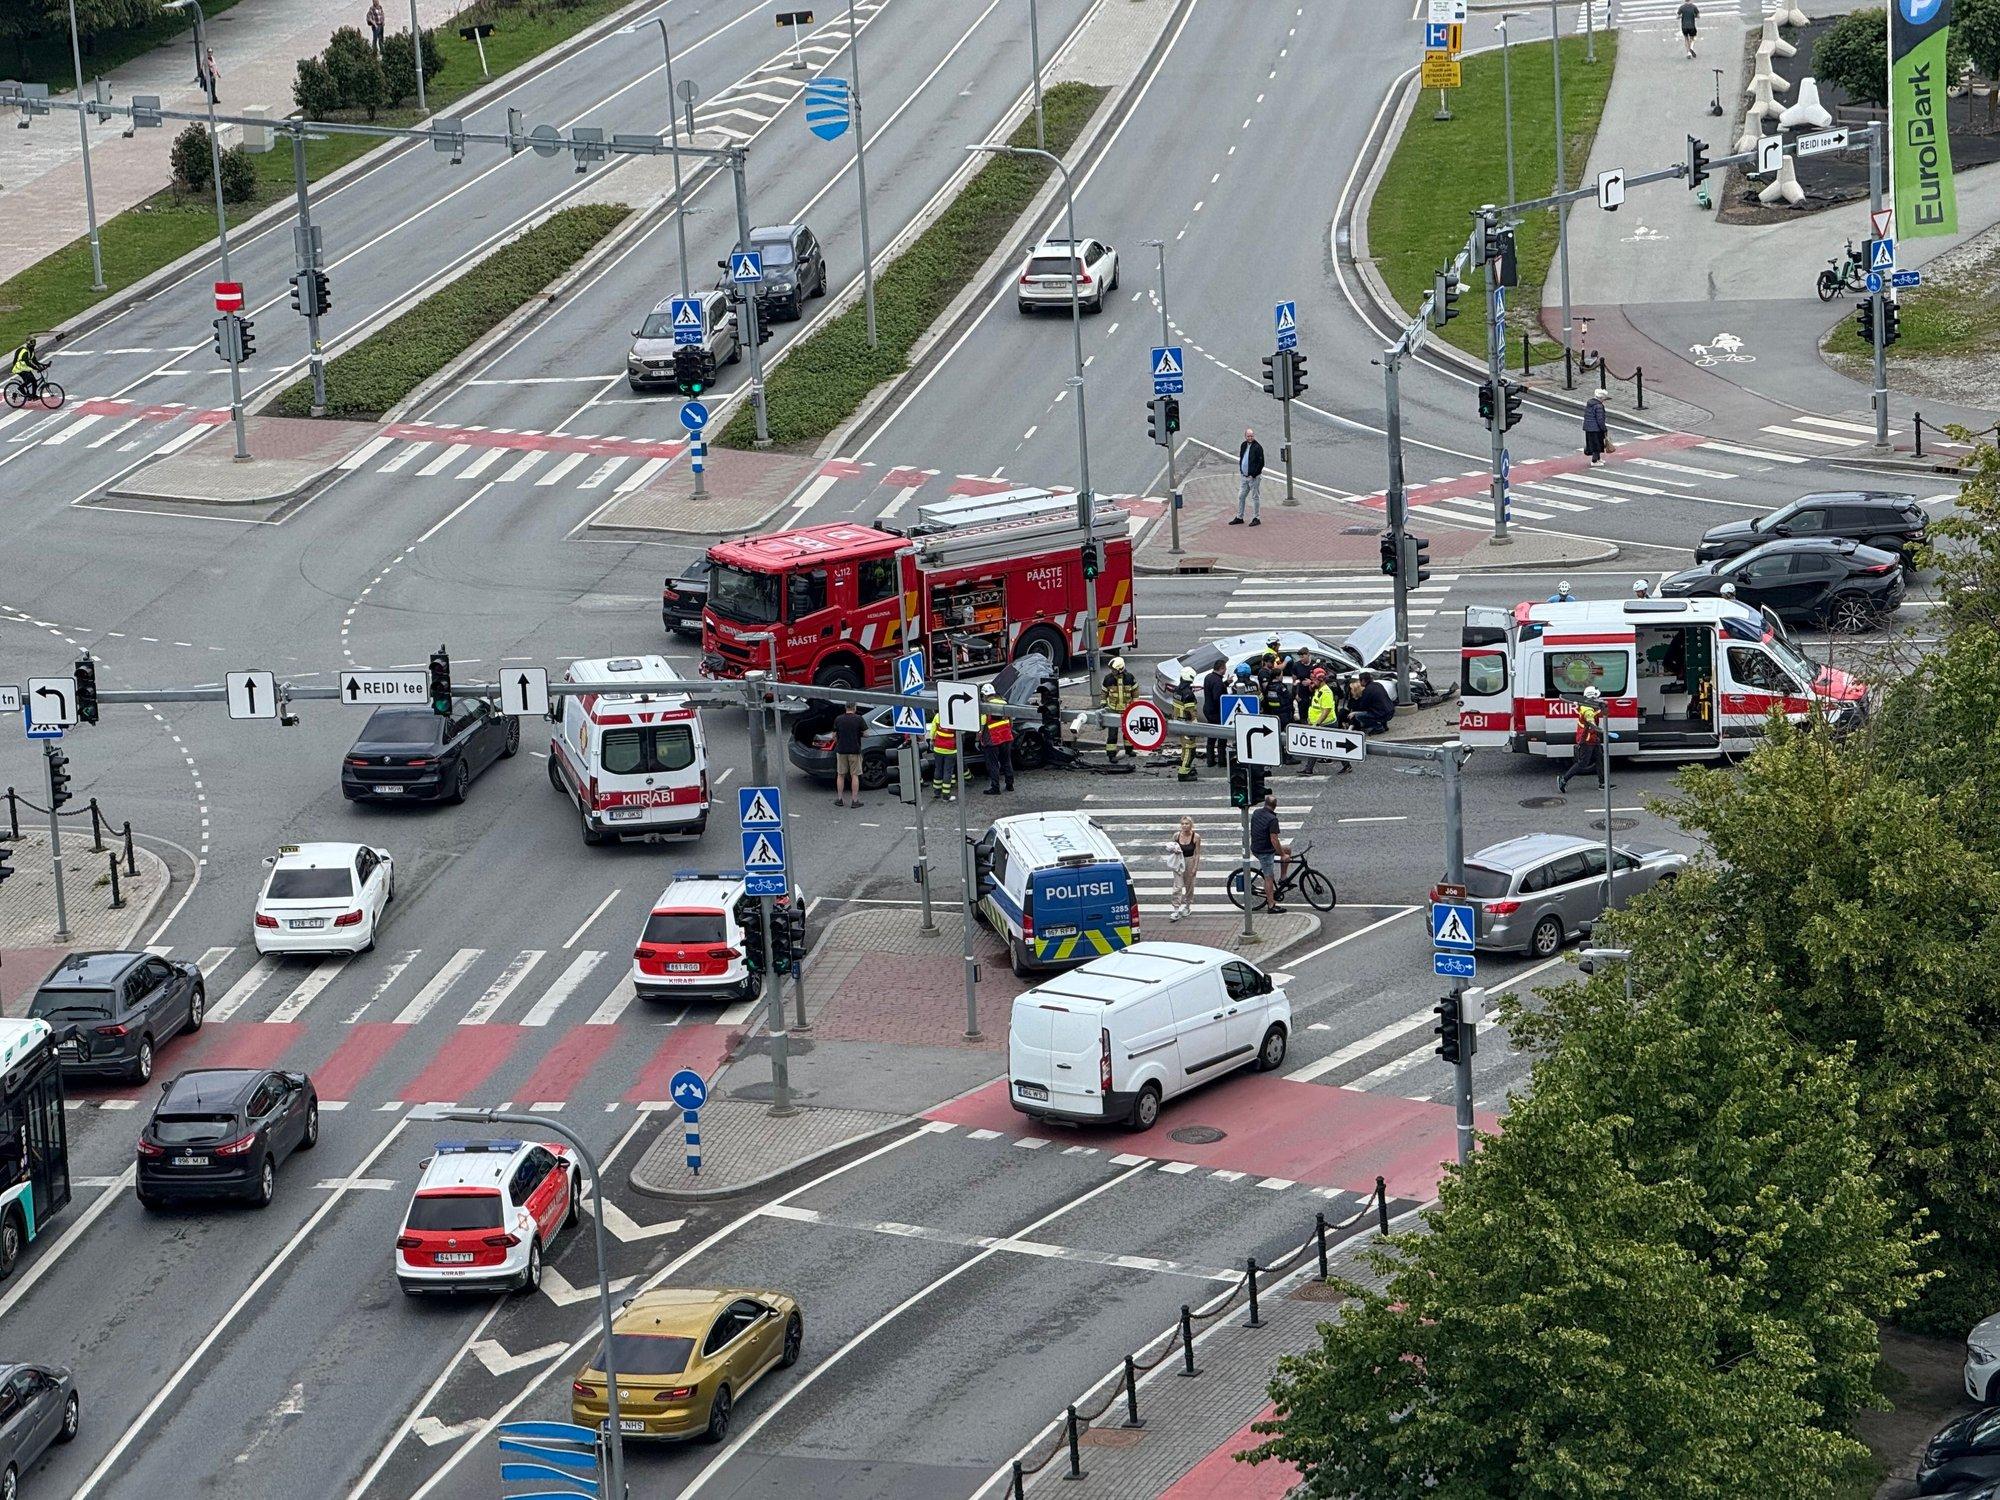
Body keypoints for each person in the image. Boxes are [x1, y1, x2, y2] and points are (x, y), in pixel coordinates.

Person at [1557, 686, 1606, 794]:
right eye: (1597, 696)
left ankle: (1602, 783)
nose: (1598, 698)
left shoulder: (1588, 705)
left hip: (1593, 737)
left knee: (1600, 759)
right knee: (1583, 763)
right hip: (1587, 739)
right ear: (1592, 697)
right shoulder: (1588, 710)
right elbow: (1591, 722)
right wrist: (1602, 730)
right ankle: (1564, 780)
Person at [1249, 790, 1289, 913]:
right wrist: (1282, 855)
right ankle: (1271, 905)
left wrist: (1284, 852)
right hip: (1264, 850)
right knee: (1269, 877)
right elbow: (1274, 840)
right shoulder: (1272, 819)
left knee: (1288, 849)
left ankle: (1283, 877)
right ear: (1275, 806)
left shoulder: (1256, 812)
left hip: (1256, 846)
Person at [1299, 667, 1340, 776]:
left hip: (1327, 724)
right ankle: (1308, 769)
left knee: (1335, 747)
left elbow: (1326, 710)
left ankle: (1346, 765)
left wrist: (1317, 724)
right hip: (1318, 723)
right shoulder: (1319, 689)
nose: (1313, 682)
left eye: (1315, 680)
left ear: (1321, 680)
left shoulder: (1326, 692)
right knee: (1313, 746)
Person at [1101, 656, 1137, 762]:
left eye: (1114, 670)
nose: (1112, 671)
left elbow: (1135, 692)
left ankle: (1129, 750)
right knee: (1112, 733)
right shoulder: (1108, 679)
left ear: (1120, 669)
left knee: (1128, 731)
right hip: (1113, 710)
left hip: (1127, 710)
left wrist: (1135, 704)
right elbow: (1104, 693)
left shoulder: (1130, 678)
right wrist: (1103, 703)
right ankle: (1111, 754)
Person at [1166, 815, 1202, 922]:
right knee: (1177, 886)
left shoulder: (1196, 837)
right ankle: (1176, 909)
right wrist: (1173, 850)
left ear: (1191, 825)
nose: (1184, 826)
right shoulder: (1176, 836)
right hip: (1178, 861)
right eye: (1182, 824)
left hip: (1190, 860)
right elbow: (1171, 847)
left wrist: (1195, 867)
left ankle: (1187, 906)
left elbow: (1197, 853)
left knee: (1189, 885)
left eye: (1187, 823)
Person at [832, 702, 866, 808]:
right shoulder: (858, 719)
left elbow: (833, 735)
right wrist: (859, 734)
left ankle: (839, 799)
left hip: (841, 750)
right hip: (854, 750)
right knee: (854, 775)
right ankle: (854, 800)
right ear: (854, 708)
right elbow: (866, 733)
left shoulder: (838, 719)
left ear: (846, 708)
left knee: (840, 775)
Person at [981, 691, 1015, 795]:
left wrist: (978, 740)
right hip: (1006, 737)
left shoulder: (985, 707)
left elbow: (981, 727)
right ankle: (1010, 785)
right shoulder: (1004, 703)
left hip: (993, 740)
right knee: (1007, 761)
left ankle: (995, 788)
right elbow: (1011, 721)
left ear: (985, 695)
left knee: (993, 764)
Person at [1232, 428, 1265, 526]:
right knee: (1241, 496)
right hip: (1244, 476)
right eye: (1248, 436)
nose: (1250, 438)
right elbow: (1242, 458)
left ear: (1253, 436)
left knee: (1255, 497)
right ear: (1245, 436)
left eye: (1251, 436)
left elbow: (1261, 463)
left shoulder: (1258, 447)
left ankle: (1256, 517)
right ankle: (1239, 517)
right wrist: (1242, 472)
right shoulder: (1243, 445)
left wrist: (1253, 475)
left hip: (1253, 478)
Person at [1172, 668, 1201, 782]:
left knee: (1185, 748)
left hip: (1179, 723)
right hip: (1187, 725)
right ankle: (1183, 773)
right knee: (1190, 749)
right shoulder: (1188, 694)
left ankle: (1185, 769)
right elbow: (1191, 713)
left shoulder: (1177, 690)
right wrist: (1195, 728)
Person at [1347, 669, 1395, 734]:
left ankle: (1378, 727)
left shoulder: (1367, 690)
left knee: (1359, 716)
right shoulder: (1378, 684)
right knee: (1379, 709)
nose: (1360, 683)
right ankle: (1384, 725)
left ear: (1363, 681)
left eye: (1360, 680)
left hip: (1382, 714)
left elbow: (1363, 707)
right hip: (1391, 710)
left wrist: (1354, 712)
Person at [1201, 660, 1226, 766]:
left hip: (1208, 709)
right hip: (1216, 712)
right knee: (1221, 736)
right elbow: (1218, 698)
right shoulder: (1218, 682)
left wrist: (1226, 683)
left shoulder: (1209, 677)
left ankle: (1210, 760)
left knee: (1211, 736)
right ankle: (1221, 760)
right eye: (1225, 668)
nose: (1225, 670)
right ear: (1221, 669)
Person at [927, 711, 957, 800]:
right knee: (947, 772)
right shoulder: (955, 716)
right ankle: (946, 795)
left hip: (938, 748)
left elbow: (933, 730)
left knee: (938, 770)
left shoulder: (938, 716)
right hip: (950, 750)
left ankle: (937, 792)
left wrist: (932, 740)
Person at [1583, 388, 1609, 464]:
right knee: (1597, 444)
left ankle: (1598, 459)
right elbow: (1600, 419)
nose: (1604, 400)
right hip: (1596, 428)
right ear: (1601, 398)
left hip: (1588, 427)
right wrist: (1604, 429)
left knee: (1593, 443)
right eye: (1604, 398)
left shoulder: (1590, 403)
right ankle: (1594, 460)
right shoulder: (1599, 406)